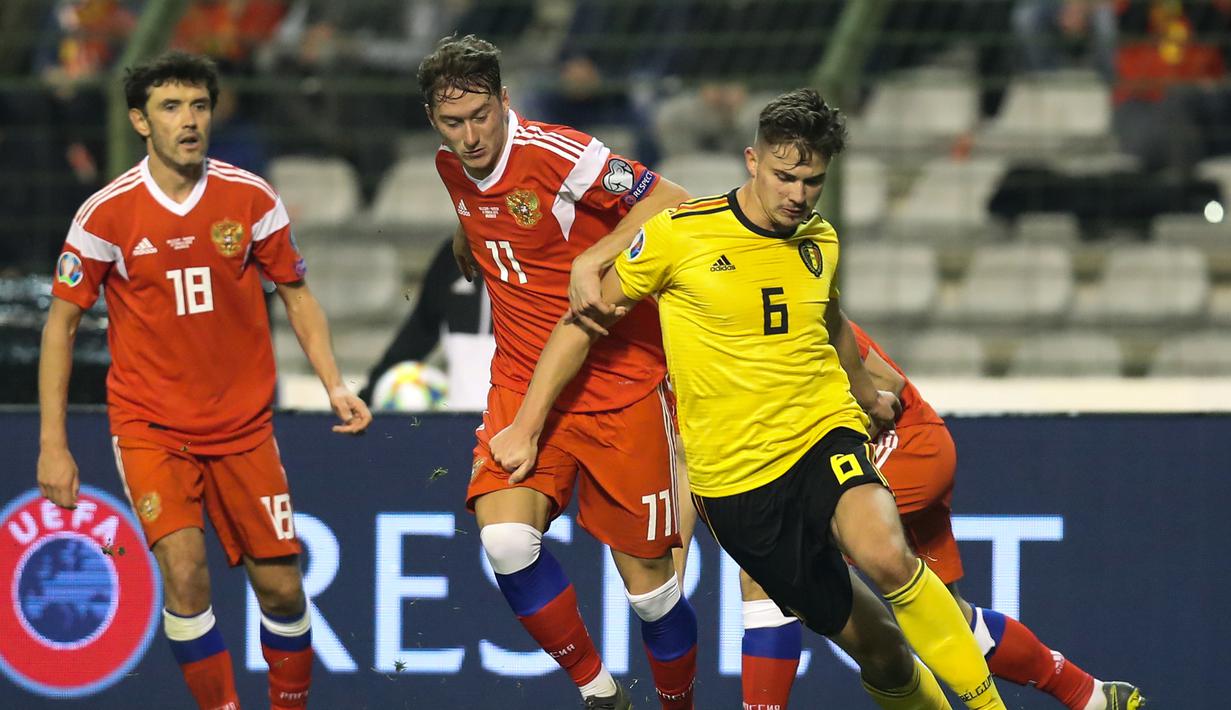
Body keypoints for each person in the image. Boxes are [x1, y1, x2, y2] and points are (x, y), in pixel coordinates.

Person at [491, 88, 1010, 709]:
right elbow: (581, 324)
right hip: (736, 485)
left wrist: (865, 391)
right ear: (752, 161)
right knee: (883, 652)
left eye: (812, 181)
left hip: (821, 434)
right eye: (785, 176)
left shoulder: (821, 240)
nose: (797, 194)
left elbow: (831, 320)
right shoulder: (679, 238)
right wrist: (527, 423)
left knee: (887, 554)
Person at [35, 51, 371, 710]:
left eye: (198, 106)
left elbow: (296, 295)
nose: (188, 121)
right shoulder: (106, 215)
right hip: (152, 428)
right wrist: (54, 443)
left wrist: (333, 383)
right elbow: (60, 327)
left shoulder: (250, 198)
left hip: (244, 429)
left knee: (280, 589)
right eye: (169, 107)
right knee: (186, 578)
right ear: (139, 120)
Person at [417, 35, 697, 709]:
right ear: (434, 121)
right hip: (520, 379)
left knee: (652, 594)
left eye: (481, 114)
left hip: (618, 383)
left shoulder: (555, 153)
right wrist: (469, 238)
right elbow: (481, 208)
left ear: (504, 99)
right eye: (453, 123)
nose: (471, 134)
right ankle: (599, 693)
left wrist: (590, 257)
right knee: (508, 542)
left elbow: (674, 198)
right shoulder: (451, 166)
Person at [674, 319, 1148, 709]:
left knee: (768, 572)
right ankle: (1088, 694)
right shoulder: (693, 361)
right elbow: (686, 464)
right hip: (909, 449)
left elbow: (887, 383)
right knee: (948, 617)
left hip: (902, 443)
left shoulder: (759, 308)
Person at [358, 236, 495, 410]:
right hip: (462, 420)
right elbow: (419, 331)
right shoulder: (454, 254)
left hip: (524, 425)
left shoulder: (536, 255)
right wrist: (365, 397)